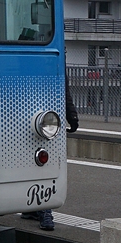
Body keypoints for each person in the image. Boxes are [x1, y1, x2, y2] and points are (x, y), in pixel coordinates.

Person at [22, 78, 77, 231]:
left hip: (23, 115)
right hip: (45, 117)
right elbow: (63, 88)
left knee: (33, 162)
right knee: (42, 163)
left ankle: (42, 211)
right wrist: (72, 116)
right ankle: (41, 211)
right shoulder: (54, 58)